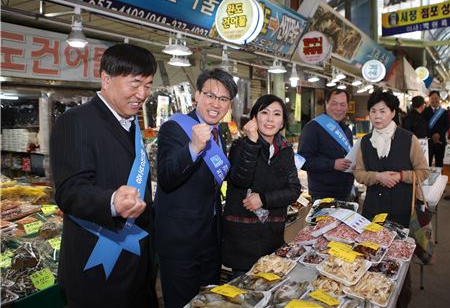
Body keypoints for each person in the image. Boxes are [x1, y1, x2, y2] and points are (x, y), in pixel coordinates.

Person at [50, 44, 158, 307]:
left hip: (137, 260)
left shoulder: (131, 123)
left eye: (148, 85)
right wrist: (111, 201)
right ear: (106, 79)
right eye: (135, 83)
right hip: (98, 265)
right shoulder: (76, 121)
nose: (142, 94)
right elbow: (70, 191)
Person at [155, 68, 238, 307]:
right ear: (197, 95)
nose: (216, 103)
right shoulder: (175, 127)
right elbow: (167, 177)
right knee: (182, 301)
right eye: (210, 95)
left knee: (207, 301)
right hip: (181, 240)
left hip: (210, 237)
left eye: (223, 99)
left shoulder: (219, 131)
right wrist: (192, 148)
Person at [353, 90, 429, 308]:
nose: (377, 116)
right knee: (371, 256)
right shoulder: (365, 142)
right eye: (373, 111)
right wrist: (377, 177)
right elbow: (358, 173)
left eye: (383, 111)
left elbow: (423, 171)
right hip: (373, 211)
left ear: (393, 113)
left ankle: (401, 302)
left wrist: (401, 176)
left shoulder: (408, 139)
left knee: (399, 261)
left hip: (402, 210)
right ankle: (374, 297)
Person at [222, 94, 301, 277]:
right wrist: (251, 142)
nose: (270, 119)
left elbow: (294, 189)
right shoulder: (240, 146)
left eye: (276, 114)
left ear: (282, 122)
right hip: (242, 239)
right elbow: (240, 180)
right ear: (254, 117)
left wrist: (264, 199)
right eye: (264, 112)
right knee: (241, 295)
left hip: (272, 236)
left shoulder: (285, 149)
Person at [298, 89, 354, 201]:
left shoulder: (346, 129)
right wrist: (332, 164)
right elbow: (303, 161)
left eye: (342, 104)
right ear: (326, 104)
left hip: (346, 191)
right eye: (334, 104)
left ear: (348, 106)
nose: (338, 108)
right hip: (323, 194)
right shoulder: (313, 127)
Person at [422, 91, 450, 168]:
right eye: (432, 98)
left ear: (439, 99)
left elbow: (447, 125)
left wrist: (439, 134)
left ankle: (439, 178)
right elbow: (423, 126)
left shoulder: (444, 112)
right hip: (428, 141)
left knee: (439, 163)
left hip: (440, 141)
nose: (434, 100)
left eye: (436, 98)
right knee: (427, 163)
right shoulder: (424, 111)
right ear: (429, 100)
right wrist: (432, 135)